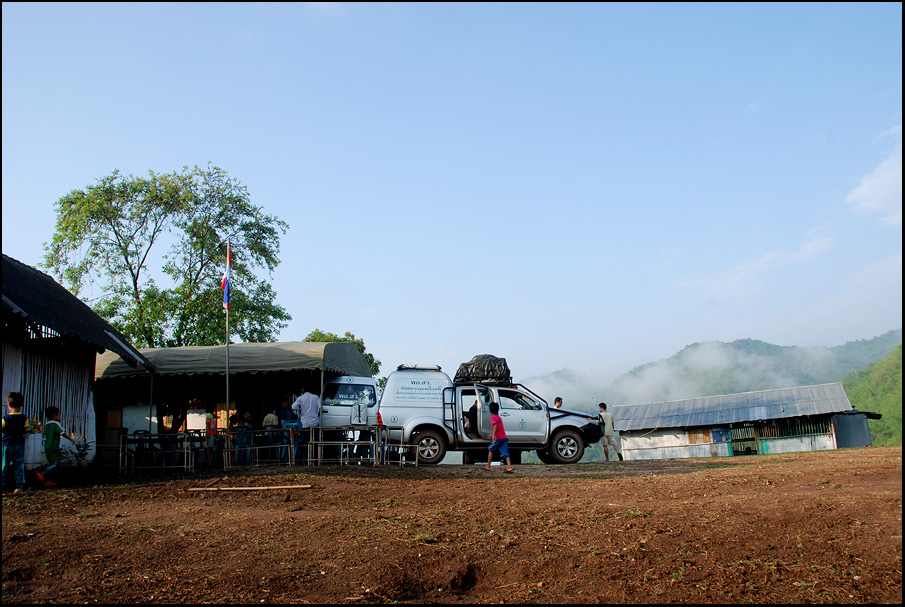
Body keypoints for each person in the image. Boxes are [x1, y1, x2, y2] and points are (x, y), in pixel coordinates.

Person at [36, 406, 75, 487]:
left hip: (47, 447)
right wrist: (70, 439)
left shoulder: (46, 425)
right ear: (54, 415)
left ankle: (49, 481)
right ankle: (42, 473)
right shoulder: (55, 423)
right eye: (58, 415)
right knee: (56, 464)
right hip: (53, 447)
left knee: (51, 463)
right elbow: (62, 433)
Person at [2, 392, 30, 494]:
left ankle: (3, 486)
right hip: (19, 445)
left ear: (9, 405)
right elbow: (27, 430)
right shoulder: (24, 418)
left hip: (7, 445)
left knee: (4, 465)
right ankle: (19, 487)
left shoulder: (5, 419)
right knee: (18, 465)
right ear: (22, 404)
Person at [485, 402, 513, 473]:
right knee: (505, 452)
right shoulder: (499, 418)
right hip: (504, 437)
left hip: (497, 438)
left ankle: (488, 466)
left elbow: (495, 425)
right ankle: (509, 467)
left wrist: (493, 434)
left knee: (491, 449)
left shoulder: (492, 418)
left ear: (490, 411)